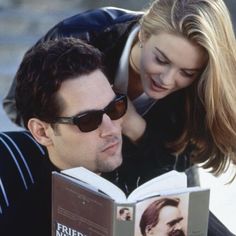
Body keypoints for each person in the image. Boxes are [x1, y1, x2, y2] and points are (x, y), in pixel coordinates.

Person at [3, 0, 236, 188]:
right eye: (161, 60)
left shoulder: (204, 85)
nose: (167, 80)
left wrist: (137, 128)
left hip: (163, 184)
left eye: (187, 72)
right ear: (144, 34)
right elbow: (17, 104)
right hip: (76, 179)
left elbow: (186, 158)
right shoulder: (79, 36)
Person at [0, 37, 135, 235]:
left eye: (115, 108)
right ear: (42, 132)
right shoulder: (24, 225)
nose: (111, 129)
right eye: (88, 120)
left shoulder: (146, 179)